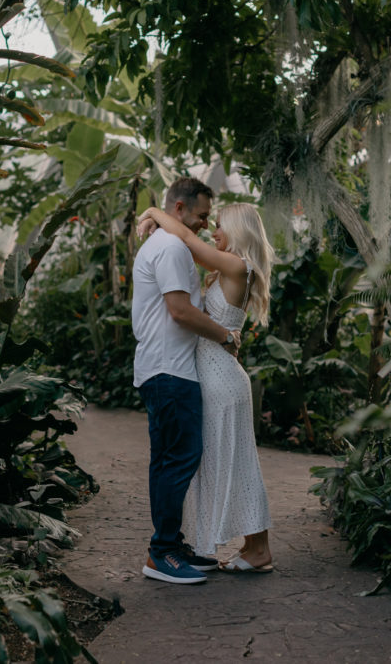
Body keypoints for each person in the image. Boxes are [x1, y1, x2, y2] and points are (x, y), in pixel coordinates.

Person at [137, 201, 275, 573]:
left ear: (239, 230)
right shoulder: (226, 268)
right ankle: (249, 546)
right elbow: (180, 248)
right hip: (214, 375)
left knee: (237, 462)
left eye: (219, 225)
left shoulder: (237, 266)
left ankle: (259, 548)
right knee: (224, 461)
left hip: (219, 378)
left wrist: (153, 211)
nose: (212, 231)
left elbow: (184, 235)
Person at [132, 177, 243, 585]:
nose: (203, 224)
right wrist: (226, 335)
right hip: (169, 371)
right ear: (179, 209)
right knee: (177, 459)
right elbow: (179, 311)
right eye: (199, 215)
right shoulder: (172, 248)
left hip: (166, 369)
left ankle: (171, 544)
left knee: (171, 458)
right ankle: (161, 552)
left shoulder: (169, 244)